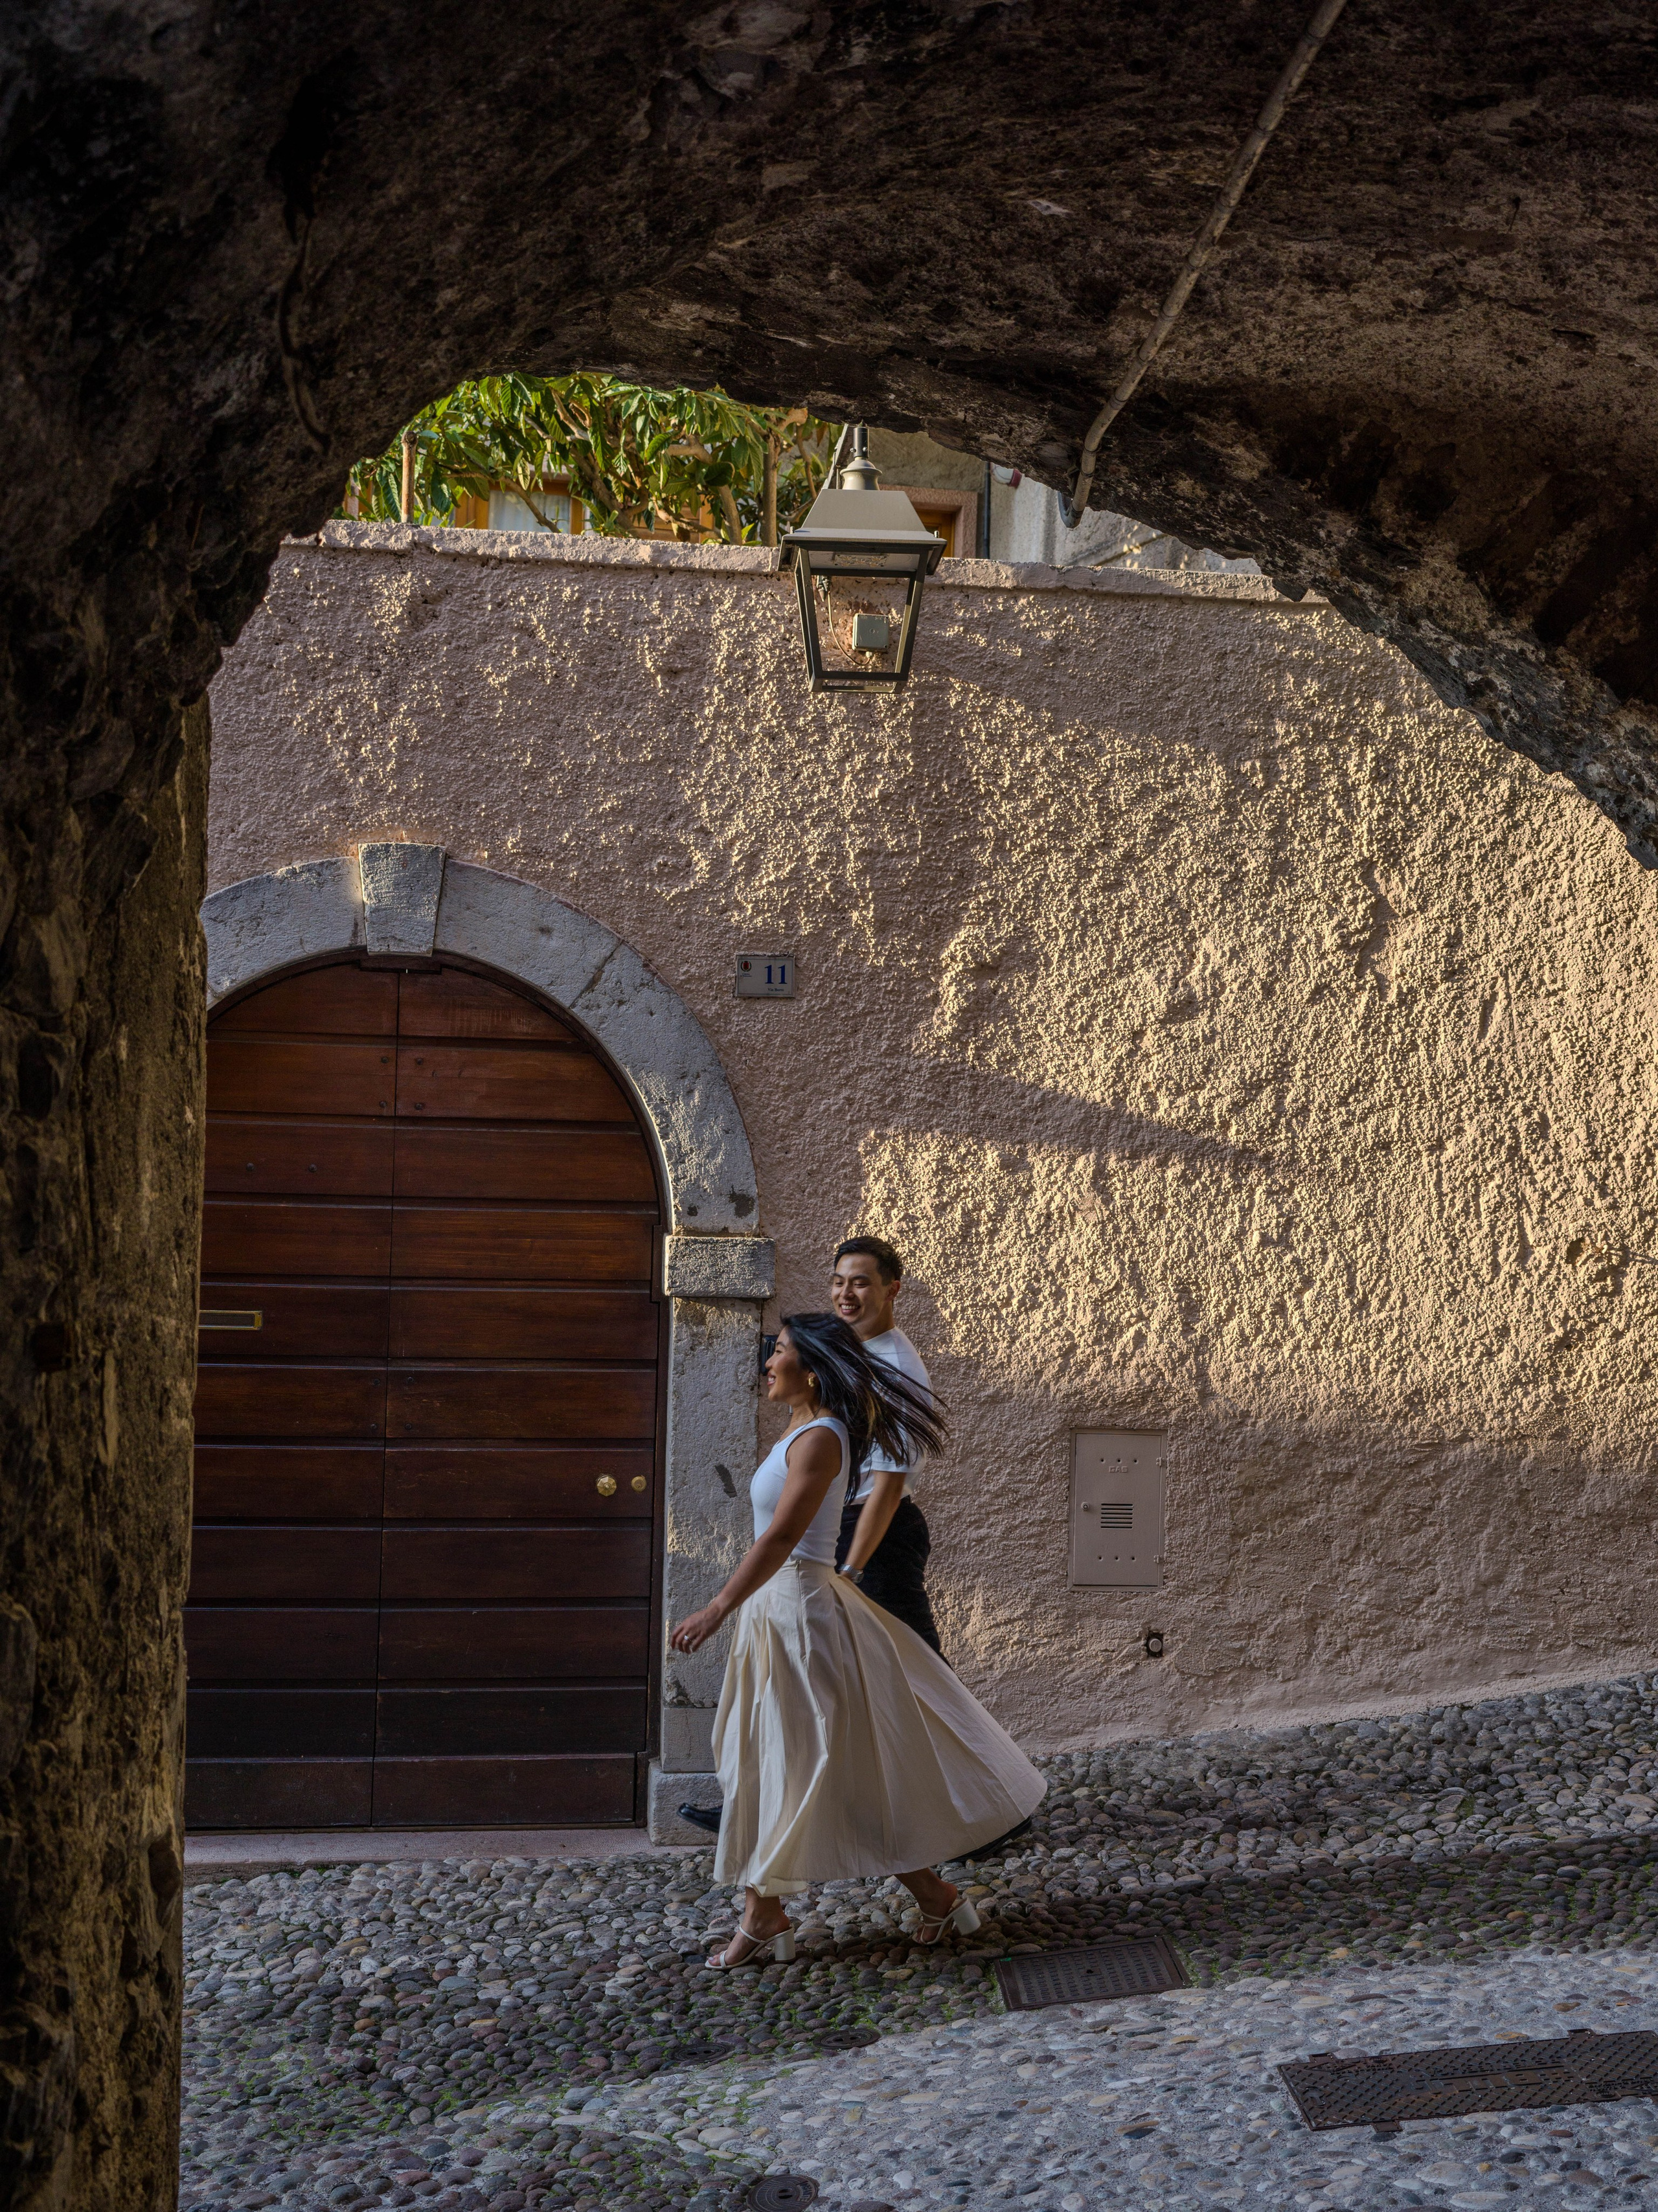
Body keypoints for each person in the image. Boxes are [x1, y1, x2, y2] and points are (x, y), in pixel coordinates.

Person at [670, 1313, 1045, 1966]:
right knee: (804, 1766)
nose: (767, 1362)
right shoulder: (801, 1428)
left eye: (779, 1351)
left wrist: (717, 1607)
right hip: (778, 1613)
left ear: (812, 1369)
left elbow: (781, 1538)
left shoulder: (822, 1437)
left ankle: (764, 1914)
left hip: (802, 1617)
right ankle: (931, 1896)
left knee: (791, 1764)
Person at [829, 1236, 942, 1653]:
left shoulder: (895, 1370)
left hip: (875, 1536)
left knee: (919, 1666)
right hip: (843, 1526)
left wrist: (851, 1571)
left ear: (892, 1290)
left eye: (860, 1283)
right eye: (838, 1282)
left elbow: (888, 1486)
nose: (845, 1294)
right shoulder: (855, 1351)